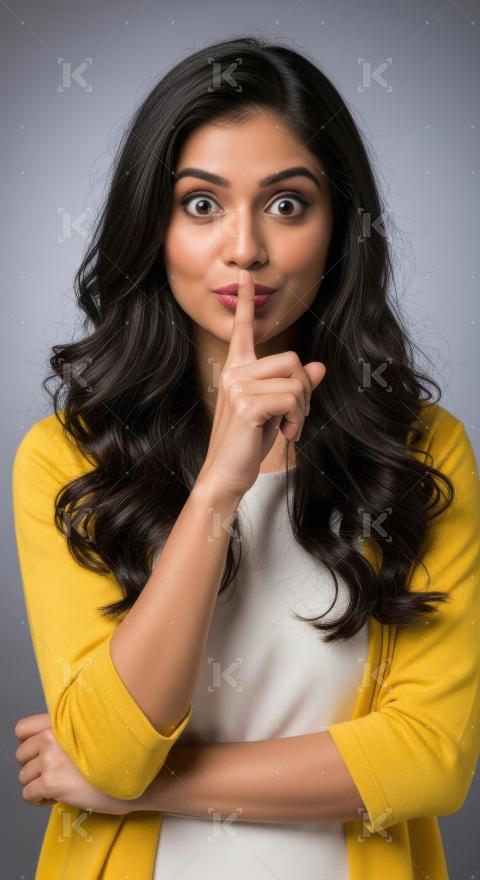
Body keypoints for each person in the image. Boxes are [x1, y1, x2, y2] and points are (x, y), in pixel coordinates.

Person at [12, 35, 480, 880]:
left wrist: (150, 789)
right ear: (151, 226)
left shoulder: (421, 451)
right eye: (201, 205)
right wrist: (219, 488)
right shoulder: (66, 460)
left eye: (287, 205)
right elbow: (115, 749)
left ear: (341, 229)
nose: (245, 249)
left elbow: (428, 759)